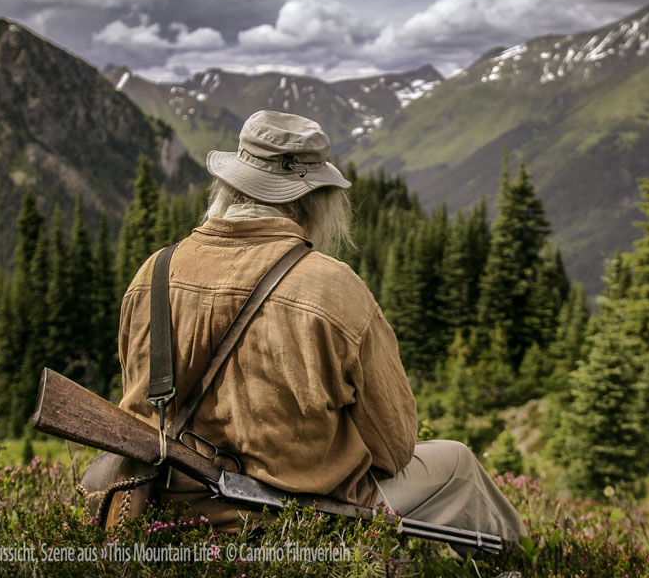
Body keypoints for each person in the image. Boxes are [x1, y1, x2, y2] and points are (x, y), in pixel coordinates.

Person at [115, 109, 526, 547]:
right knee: (459, 463)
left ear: (231, 185)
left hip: (168, 521)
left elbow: (140, 406)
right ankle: (525, 564)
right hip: (297, 525)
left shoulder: (153, 274)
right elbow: (394, 447)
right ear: (311, 199)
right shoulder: (332, 287)